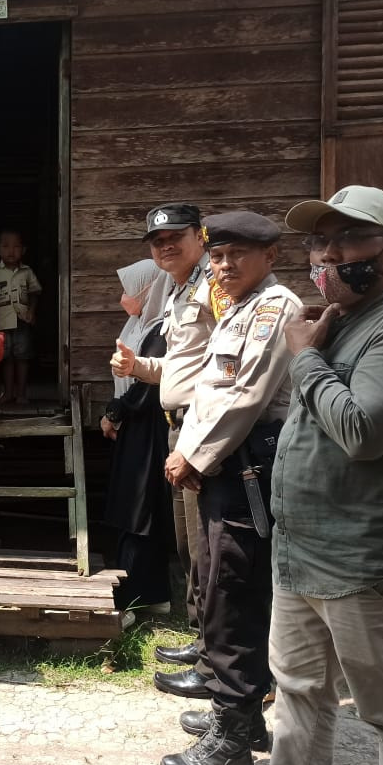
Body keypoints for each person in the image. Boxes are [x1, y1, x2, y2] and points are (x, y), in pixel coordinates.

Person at [200, 187, 383, 765]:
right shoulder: (331, 323)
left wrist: (304, 356)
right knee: (299, 688)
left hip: (367, 558)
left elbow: (363, 432)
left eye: (349, 240)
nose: (330, 254)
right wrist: (314, 345)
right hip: (301, 550)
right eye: (319, 241)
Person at [159, 211, 302, 765]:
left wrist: (194, 455)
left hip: (251, 463)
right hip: (228, 461)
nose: (223, 266)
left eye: (237, 255)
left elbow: (244, 395)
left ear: (270, 257)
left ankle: (233, 738)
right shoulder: (237, 307)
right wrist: (196, 452)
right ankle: (243, 717)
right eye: (217, 256)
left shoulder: (274, 307)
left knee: (234, 591)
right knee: (222, 583)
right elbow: (208, 389)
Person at [110, 203, 225, 698]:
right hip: (176, 425)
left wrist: (200, 441)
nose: (164, 247)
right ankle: (204, 645)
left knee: (210, 548)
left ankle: (219, 662)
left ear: (199, 237)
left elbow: (227, 371)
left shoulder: (214, 289)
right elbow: (177, 367)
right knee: (190, 546)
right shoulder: (178, 293)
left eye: (175, 237)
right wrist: (140, 369)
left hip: (203, 429)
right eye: (157, 242)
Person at [101, 259, 175, 619]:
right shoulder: (139, 322)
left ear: (150, 288)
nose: (123, 297)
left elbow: (148, 386)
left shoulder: (162, 329)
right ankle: (154, 593)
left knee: (139, 509)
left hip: (149, 426)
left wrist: (115, 412)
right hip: (134, 425)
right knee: (134, 506)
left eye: (130, 289)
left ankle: (135, 597)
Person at [0, 228, 41, 404]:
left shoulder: (27, 272)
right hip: (2, 323)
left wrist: (31, 311)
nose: (11, 250)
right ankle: (8, 393)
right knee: (6, 359)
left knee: (22, 358)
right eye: (6, 246)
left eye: (16, 246)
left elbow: (35, 292)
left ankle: (21, 394)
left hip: (22, 321)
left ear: (23, 250)